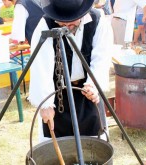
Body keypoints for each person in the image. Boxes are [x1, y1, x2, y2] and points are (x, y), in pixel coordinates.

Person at [28, 0, 113, 142]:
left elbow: (102, 58)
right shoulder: (46, 24)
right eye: (62, 22)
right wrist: (46, 104)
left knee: (94, 143)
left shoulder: (98, 21)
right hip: (57, 94)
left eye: (72, 20)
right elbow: (40, 65)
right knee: (56, 145)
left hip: (87, 93)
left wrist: (93, 84)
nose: (67, 25)